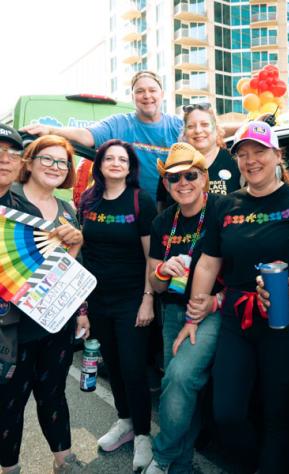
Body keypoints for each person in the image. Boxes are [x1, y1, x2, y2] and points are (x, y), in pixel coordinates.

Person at [172, 121, 289, 474]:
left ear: (277, 155)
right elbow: (208, 263)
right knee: (227, 413)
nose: (251, 161)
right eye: (243, 155)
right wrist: (193, 317)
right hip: (236, 320)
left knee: (279, 413)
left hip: (287, 322)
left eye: (259, 151)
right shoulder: (225, 207)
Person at [0, 133, 88, 474]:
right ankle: (10, 467)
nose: (54, 166)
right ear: (30, 162)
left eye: (61, 162)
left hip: (55, 318)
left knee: (53, 392)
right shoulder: (12, 201)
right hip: (13, 325)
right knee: (10, 401)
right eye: (46, 159)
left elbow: (69, 268)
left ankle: (64, 459)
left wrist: (80, 310)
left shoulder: (68, 209)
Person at [79, 139, 157, 472]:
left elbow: (151, 258)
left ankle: (143, 434)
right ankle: (124, 421)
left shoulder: (141, 201)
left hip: (132, 299)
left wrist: (147, 299)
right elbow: (82, 253)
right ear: (99, 164)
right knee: (111, 364)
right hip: (98, 300)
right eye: (108, 158)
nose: (115, 163)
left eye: (121, 159)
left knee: (134, 368)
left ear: (130, 166)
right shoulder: (88, 200)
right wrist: (82, 306)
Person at [145, 142, 223, 474]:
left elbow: (244, 263)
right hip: (173, 310)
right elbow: (156, 283)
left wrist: (216, 300)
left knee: (179, 377)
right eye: (174, 178)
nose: (183, 184)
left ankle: (161, 458)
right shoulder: (163, 222)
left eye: (190, 175)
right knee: (181, 386)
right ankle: (181, 465)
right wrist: (162, 271)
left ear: (204, 178)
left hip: (212, 312)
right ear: (165, 184)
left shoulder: (223, 209)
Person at [23, 70, 182, 199]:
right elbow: (86, 136)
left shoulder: (177, 126)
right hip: (131, 212)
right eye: (140, 91)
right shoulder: (119, 124)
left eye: (152, 90)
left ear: (162, 94)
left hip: (172, 210)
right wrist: (50, 130)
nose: (147, 96)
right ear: (133, 97)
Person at [157, 103, 241, 209]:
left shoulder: (235, 161)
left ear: (216, 128)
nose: (198, 130)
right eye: (191, 126)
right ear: (184, 133)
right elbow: (162, 209)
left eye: (205, 124)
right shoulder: (171, 166)